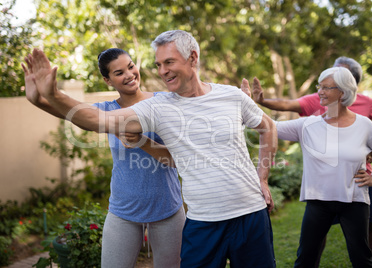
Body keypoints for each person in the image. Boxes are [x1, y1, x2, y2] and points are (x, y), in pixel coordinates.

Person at [26, 30, 278, 268]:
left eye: (168, 62)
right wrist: (48, 96)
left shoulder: (202, 98)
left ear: (192, 58)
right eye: (158, 65)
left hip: (211, 210)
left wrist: (261, 175)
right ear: (108, 79)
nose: (162, 71)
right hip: (166, 215)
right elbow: (89, 118)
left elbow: (262, 129)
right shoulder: (149, 106)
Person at [22, 48, 185, 268]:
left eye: (130, 67)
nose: (129, 74)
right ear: (107, 80)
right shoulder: (106, 111)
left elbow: (177, 158)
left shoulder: (164, 102)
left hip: (167, 209)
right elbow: (75, 113)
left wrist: (142, 141)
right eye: (119, 73)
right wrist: (38, 101)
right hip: (123, 210)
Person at [249, 56, 372, 268]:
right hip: (318, 202)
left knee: (362, 259)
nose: (320, 91)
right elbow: (268, 126)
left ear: (343, 92)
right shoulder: (307, 125)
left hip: (354, 201)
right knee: (306, 259)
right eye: (320, 86)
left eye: (327, 87)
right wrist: (248, 103)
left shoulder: (364, 125)